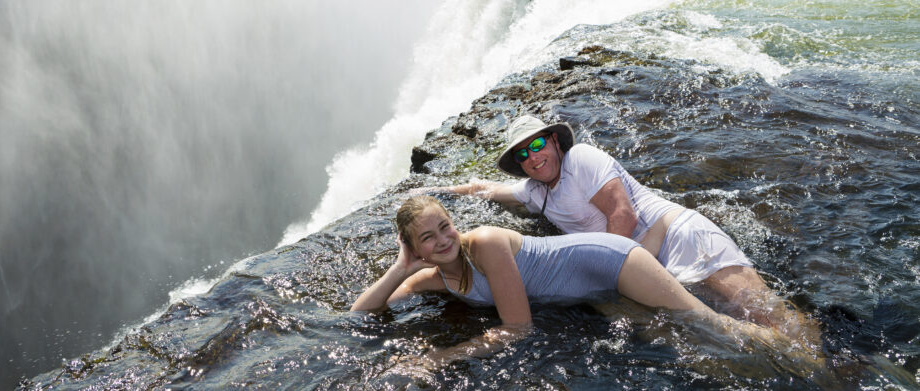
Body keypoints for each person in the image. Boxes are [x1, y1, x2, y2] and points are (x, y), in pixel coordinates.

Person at [418, 115, 819, 344]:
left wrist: (622, 274)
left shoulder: (583, 159)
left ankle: (842, 369)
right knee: (729, 334)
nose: (533, 157)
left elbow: (622, 215)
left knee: (767, 314)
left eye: (537, 145)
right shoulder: (534, 190)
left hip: (680, 238)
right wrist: (434, 190)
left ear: (555, 141)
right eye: (523, 155)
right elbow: (488, 190)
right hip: (643, 264)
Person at [351, 196, 817, 376]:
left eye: (445, 227)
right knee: (690, 342)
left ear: (456, 223)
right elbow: (361, 313)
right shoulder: (434, 276)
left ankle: (810, 356)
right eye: (427, 239)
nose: (443, 240)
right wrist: (399, 268)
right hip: (596, 293)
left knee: (707, 323)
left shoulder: (486, 243)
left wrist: (439, 358)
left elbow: (518, 328)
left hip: (612, 263)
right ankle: (792, 362)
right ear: (414, 247)